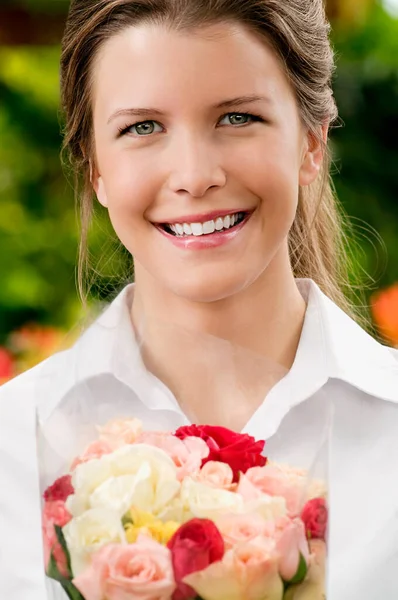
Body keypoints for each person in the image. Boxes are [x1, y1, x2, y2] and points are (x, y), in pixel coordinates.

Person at [0, 0, 397, 598]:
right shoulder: (12, 447)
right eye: (142, 127)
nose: (193, 174)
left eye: (237, 117)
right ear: (95, 171)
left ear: (312, 141)